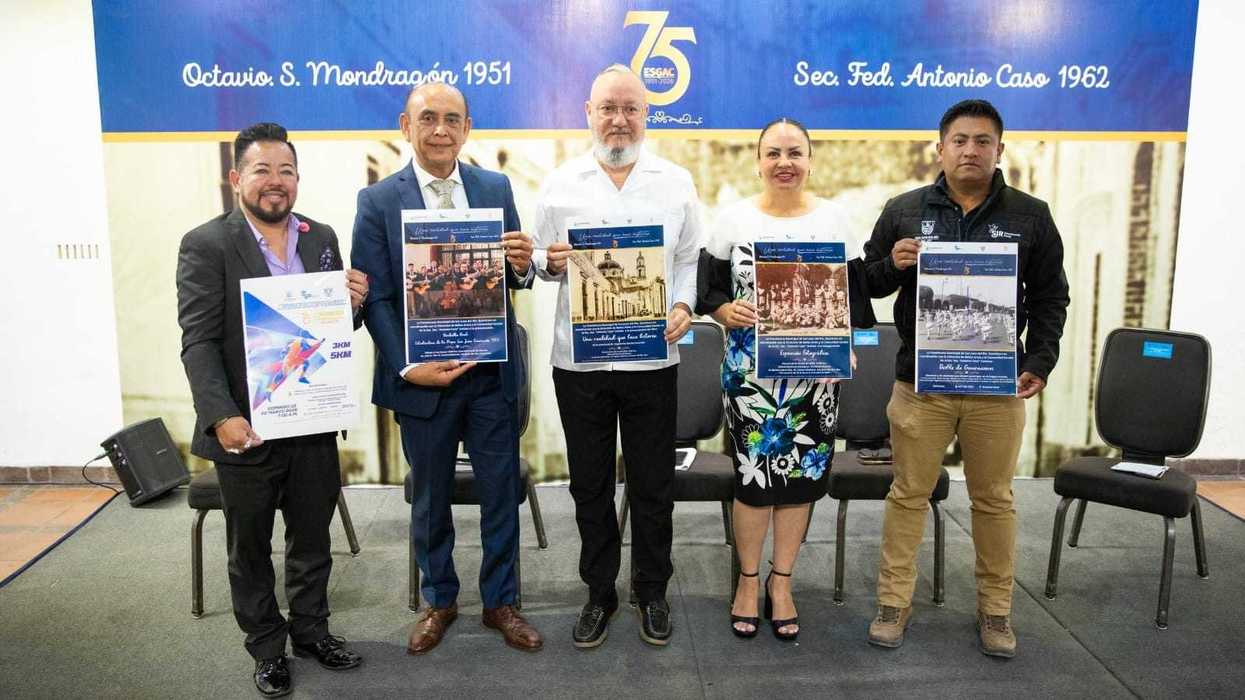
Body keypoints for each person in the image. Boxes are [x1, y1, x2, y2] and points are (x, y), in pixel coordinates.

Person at [861, 99, 1069, 658]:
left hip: (996, 389)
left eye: (982, 141)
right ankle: (893, 601)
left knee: (994, 499)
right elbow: (865, 288)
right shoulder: (904, 210)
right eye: (959, 140)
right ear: (941, 148)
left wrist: (1040, 362)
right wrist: (892, 266)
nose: (970, 150)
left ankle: (996, 611)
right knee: (907, 495)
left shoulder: (1031, 215)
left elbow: (1052, 298)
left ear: (999, 150)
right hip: (919, 386)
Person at [176, 122, 367, 697]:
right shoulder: (207, 244)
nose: (275, 183)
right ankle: (266, 647)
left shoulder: (322, 236)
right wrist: (220, 416)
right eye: (262, 170)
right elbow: (199, 341)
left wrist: (353, 304)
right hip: (247, 430)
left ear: (297, 179)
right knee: (250, 547)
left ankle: (311, 631)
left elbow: (332, 332)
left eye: (286, 171)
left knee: (312, 538)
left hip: (310, 422)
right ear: (237, 178)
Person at [350, 83, 542, 654]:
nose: (440, 129)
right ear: (405, 125)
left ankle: (501, 602)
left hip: (489, 375)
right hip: (424, 380)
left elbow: (513, 276)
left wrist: (524, 266)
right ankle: (439, 600)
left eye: (451, 119)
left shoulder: (493, 186)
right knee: (430, 498)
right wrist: (408, 366)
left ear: (467, 127)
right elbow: (377, 297)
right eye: (427, 118)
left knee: (500, 491)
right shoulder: (379, 201)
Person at [532, 65, 700, 648]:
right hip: (579, 363)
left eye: (631, 108)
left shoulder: (675, 181)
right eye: (608, 108)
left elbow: (687, 261)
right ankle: (598, 592)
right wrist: (547, 263)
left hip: (653, 359)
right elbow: (535, 260)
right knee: (590, 484)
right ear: (588, 111)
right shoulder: (558, 183)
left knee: (653, 484)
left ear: (646, 114)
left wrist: (683, 306)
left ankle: (651, 590)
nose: (619, 119)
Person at [696, 117, 867, 641]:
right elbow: (707, 292)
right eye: (774, 153)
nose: (784, 163)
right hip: (750, 380)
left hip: (815, 378)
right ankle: (748, 581)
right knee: (755, 483)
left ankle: (782, 581)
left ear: (811, 161)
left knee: (799, 485)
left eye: (795, 152)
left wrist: (851, 344)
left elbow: (856, 300)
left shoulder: (837, 221)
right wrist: (725, 312)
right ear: (758, 161)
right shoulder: (733, 221)